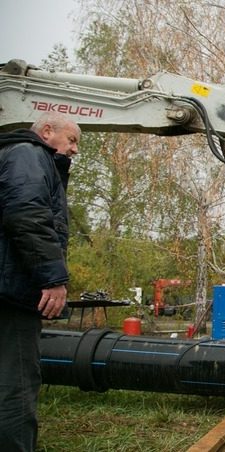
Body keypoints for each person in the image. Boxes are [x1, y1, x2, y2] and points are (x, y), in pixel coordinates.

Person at [0, 111, 80, 451]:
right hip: (12, 294)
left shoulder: (15, 155)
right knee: (15, 383)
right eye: (72, 139)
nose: (75, 149)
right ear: (46, 131)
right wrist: (53, 278)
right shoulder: (29, 155)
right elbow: (28, 216)